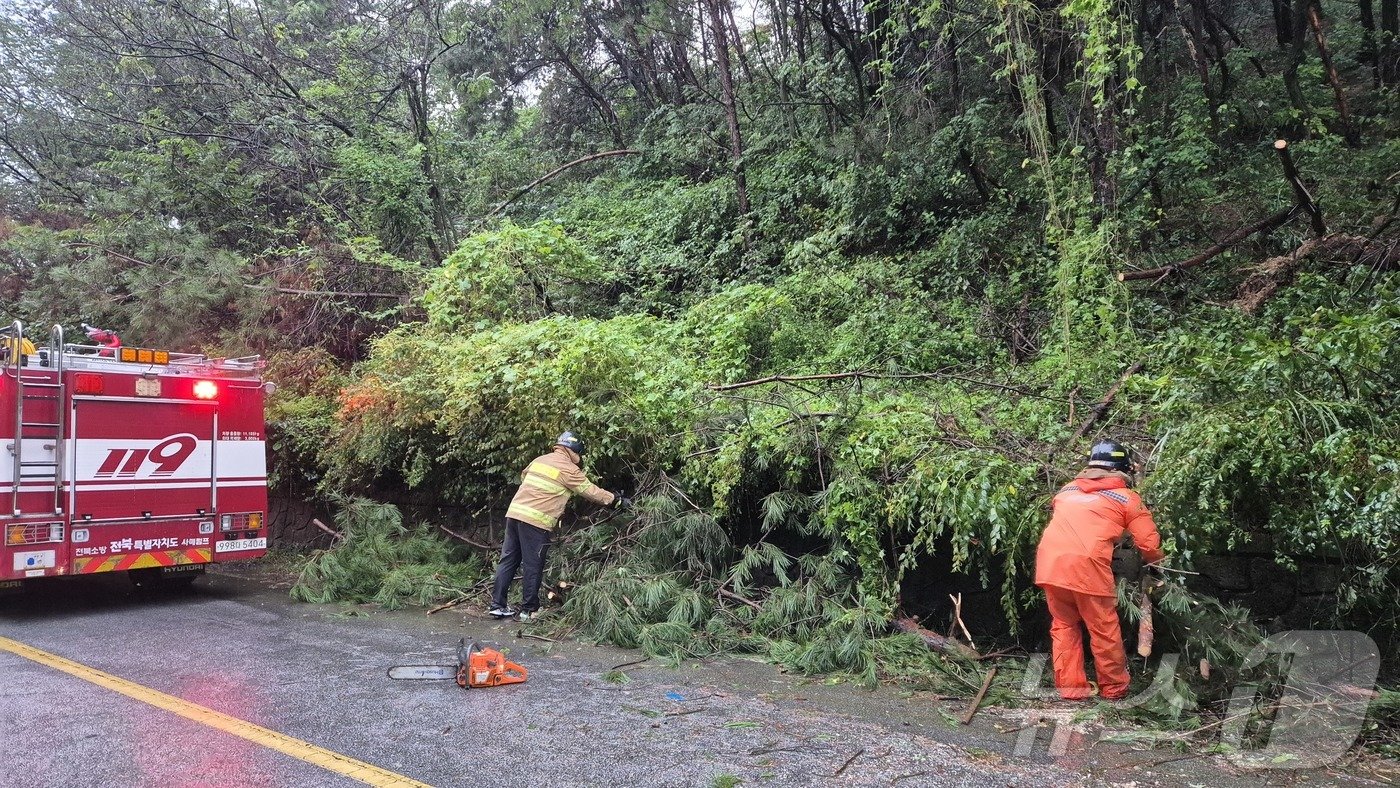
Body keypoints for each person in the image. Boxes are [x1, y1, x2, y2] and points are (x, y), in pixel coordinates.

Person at [1035, 440, 1164, 700]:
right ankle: (1114, 690)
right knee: (1103, 629)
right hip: (1087, 568)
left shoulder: (1066, 491)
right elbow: (1149, 544)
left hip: (1050, 565)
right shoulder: (1127, 498)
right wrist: (1158, 563)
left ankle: (1071, 690)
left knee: (1063, 625)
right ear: (1123, 468)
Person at [489, 431, 626, 622]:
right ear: (575, 450)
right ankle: (529, 611)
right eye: (580, 454)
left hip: (514, 514)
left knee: (508, 560)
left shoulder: (540, 460)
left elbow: (524, 477)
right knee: (533, 565)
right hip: (535, 521)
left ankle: (497, 606)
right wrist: (616, 500)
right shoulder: (568, 469)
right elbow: (591, 491)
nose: (580, 459)